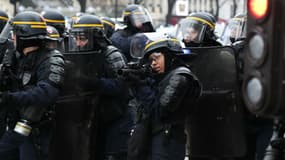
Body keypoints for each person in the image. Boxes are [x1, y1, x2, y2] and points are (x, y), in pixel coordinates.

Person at [55, 14, 133, 160]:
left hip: (115, 118)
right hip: (90, 119)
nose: (78, 43)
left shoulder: (111, 54)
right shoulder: (76, 55)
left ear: (95, 37)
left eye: (83, 39)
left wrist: (94, 82)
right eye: (76, 38)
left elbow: (123, 86)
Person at [0, 11, 65, 160]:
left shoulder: (52, 59)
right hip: (17, 126)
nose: (13, 38)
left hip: (38, 130)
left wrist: (9, 98)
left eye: (15, 34)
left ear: (24, 36)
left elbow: (46, 93)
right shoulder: (17, 57)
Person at [129, 33, 202, 160]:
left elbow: (160, 111)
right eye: (151, 60)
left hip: (168, 143)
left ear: (169, 56)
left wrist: (140, 85)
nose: (153, 63)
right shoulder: (162, 77)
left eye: (156, 58)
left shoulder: (180, 77)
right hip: (156, 140)